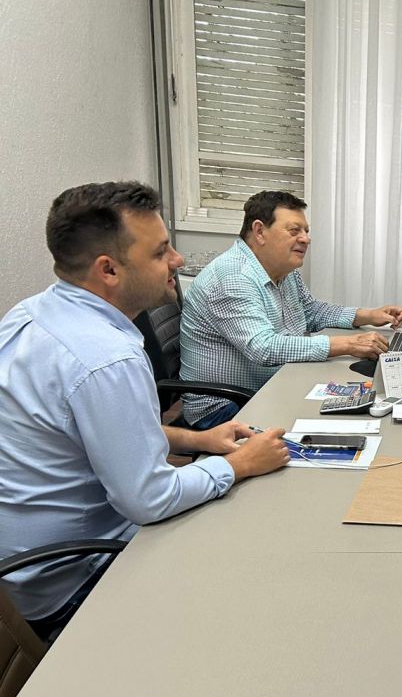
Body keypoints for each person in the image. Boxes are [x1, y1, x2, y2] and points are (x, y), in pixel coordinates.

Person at [0, 182, 290, 638]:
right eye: (160, 252)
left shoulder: (31, 313)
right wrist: (238, 465)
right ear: (109, 270)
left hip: (24, 572)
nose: (176, 260)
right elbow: (149, 500)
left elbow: (86, 432)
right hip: (75, 578)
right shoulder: (106, 357)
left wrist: (196, 439)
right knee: (256, 569)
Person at [179, 190, 402, 428]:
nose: (306, 239)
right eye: (294, 231)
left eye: (306, 231)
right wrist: (349, 344)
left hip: (273, 385)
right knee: (339, 427)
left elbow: (310, 312)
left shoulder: (283, 271)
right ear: (259, 232)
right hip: (227, 408)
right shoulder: (232, 277)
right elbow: (263, 348)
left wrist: (366, 315)